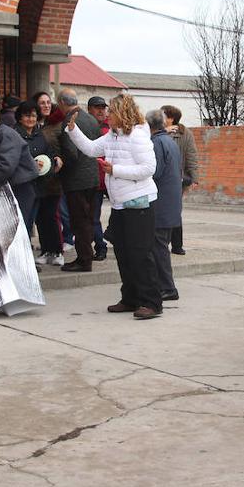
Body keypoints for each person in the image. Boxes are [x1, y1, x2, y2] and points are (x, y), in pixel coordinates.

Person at [65, 93, 159, 319]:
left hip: (140, 203)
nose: (107, 115)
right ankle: (130, 299)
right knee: (123, 253)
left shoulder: (137, 137)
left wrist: (114, 170)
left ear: (123, 113)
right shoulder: (112, 137)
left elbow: (149, 168)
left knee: (140, 254)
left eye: (112, 111)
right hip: (120, 204)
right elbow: (90, 149)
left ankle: (152, 303)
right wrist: (72, 130)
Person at [56, 88, 101, 273]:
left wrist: (60, 164)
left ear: (61, 103)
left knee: (79, 221)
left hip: (76, 180)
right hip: (92, 176)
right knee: (89, 219)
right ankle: (86, 255)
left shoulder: (69, 121)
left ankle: (84, 259)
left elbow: (71, 154)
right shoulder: (90, 118)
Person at [146, 108, 182, 302]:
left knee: (158, 248)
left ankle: (167, 287)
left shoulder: (157, 143)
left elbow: (155, 172)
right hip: (170, 203)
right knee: (160, 246)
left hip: (161, 204)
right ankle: (165, 286)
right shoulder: (169, 142)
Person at [33, 95, 66, 267]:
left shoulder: (58, 124)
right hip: (37, 177)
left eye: (47, 102)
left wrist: (59, 158)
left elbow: (64, 147)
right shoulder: (34, 125)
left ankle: (57, 251)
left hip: (54, 176)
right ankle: (46, 250)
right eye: (41, 103)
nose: (46, 105)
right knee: (40, 216)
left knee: (52, 215)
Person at [161, 105, 198, 255]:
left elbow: (191, 155)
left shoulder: (184, 134)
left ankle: (177, 245)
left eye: (163, 115)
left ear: (170, 118)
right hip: (160, 179)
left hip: (177, 179)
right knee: (163, 211)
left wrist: (194, 178)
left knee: (174, 211)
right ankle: (163, 243)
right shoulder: (158, 132)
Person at [13, 102, 52, 237]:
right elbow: (12, 159)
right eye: (27, 116)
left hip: (38, 186)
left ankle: (27, 251)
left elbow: (48, 154)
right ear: (19, 118)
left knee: (30, 222)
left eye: (34, 116)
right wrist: (31, 164)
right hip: (21, 186)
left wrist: (51, 162)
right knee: (21, 223)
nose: (31, 119)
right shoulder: (14, 135)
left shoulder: (39, 134)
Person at [88, 96, 111, 261]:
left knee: (123, 214)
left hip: (112, 178)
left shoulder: (113, 127)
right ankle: (100, 248)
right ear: (90, 109)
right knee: (93, 217)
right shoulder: (86, 127)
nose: (101, 110)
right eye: (97, 107)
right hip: (94, 181)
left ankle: (117, 240)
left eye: (103, 107)